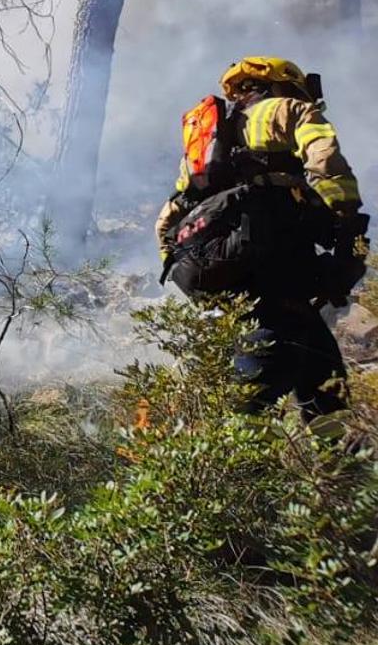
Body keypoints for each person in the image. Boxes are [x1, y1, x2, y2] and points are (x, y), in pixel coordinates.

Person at [156, 57, 368, 420]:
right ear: (284, 83)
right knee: (263, 383)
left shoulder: (208, 141)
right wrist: (347, 233)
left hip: (241, 274)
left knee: (324, 378)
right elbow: (328, 165)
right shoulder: (288, 110)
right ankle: (245, 472)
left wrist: (172, 262)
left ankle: (339, 474)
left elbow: (171, 218)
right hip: (280, 265)